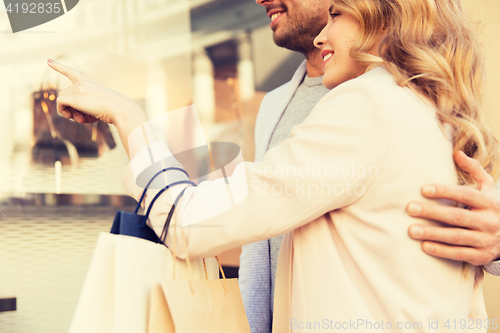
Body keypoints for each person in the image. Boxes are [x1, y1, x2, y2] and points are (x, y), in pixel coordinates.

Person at [47, 0, 500, 331]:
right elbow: (261, 231)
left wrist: (129, 117)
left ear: (383, 14)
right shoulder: (432, 108)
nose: (324, 34)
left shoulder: (366, 102)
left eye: (337, 14)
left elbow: (194, 222)